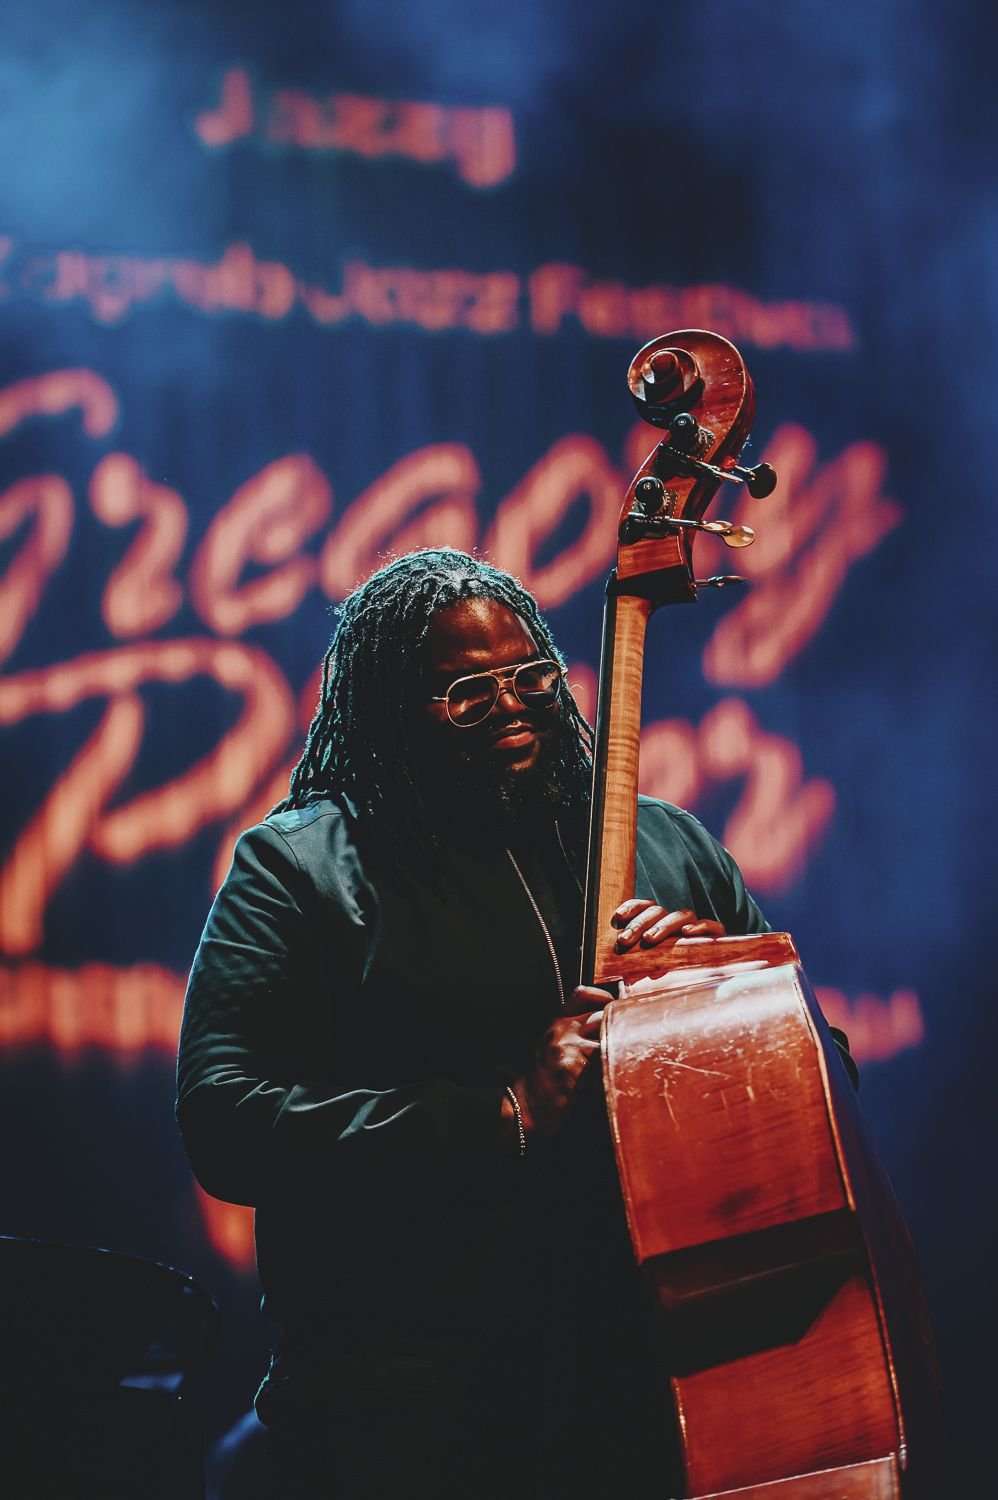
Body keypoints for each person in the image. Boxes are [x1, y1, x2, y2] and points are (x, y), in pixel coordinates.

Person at [177, 547, 776, 1498]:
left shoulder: (666, 843)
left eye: (532, 677)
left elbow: (819, 1069)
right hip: (409, 1411)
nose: (513, 707)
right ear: (389, 709)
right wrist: (503, 1115)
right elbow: (226, 1119)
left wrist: (724, 994)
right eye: (466, 694)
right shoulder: (301, 869)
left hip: (643, 1387)